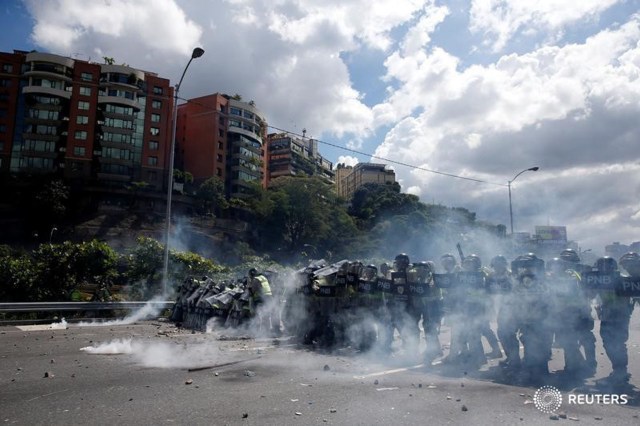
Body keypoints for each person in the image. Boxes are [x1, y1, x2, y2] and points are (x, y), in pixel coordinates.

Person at [595, 254, 637, 384]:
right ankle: (619, 371)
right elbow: (590, 294)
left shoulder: (625, 280)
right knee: (610, 344)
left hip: (619, 317)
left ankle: (620, 373)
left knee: (616, 344)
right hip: (607, 317)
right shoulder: (598, 280)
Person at [559, 248, 597, 375]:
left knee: (580, 339)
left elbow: (591, 293)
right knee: (577, 339)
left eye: (569, 261)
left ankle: (577, 366)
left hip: (579, 312)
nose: (567, 264)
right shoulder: (584, 272)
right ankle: (578, 366)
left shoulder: (577, 273)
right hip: (572, 312)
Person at [248, 268, 275, 336]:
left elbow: (253, 290)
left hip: (261, 298)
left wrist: (249, 290)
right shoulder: (263, 277)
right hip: (269, 297)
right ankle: (267, 331)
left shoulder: (255, 279)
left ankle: (258, 332)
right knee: (266, 314)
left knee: (258, 314)